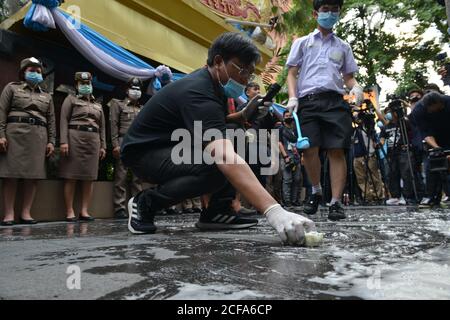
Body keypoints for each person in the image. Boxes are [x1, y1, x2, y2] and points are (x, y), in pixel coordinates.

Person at [121, 32, 316, 245]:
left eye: (250, 74)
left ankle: (217, 211)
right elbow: (222, 154)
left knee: (241, 140)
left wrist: (243, 115)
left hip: (174, 145)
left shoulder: (214, 87)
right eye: (242, 70)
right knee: (216, 163)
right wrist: (274, 210)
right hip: (144, 153)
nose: (245, 79)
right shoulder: (198, 91)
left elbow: (213, 124)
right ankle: (145, 203)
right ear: (218, 61)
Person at [285, 0, 363, 220]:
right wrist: (292, 97)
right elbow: (292, 72)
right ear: (315, 13)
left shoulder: (343, 46)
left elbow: (348, 77)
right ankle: (316, 191)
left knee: (336, 150)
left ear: (339, 13)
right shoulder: (302, 43)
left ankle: (336, 202)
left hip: (335, 102)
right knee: (309, 149)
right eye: (325, 10)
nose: (330, 13)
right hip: (307, 101)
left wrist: (355, 87)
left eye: (334, 10)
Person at [0, 57, 56, 226]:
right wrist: (1, 134)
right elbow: (1, 111)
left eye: (38, 72)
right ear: (23, 72)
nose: (35, 74)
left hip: (38, 136)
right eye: (32, 71)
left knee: (33, 176)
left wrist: (51, 141)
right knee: (11, 175)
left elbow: (51, 120)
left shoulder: (46, 95)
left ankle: (26, 212)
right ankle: (9, 214)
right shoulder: (12, 88)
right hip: (14, 134)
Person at [59, 72, 106, 222]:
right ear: (77, 85)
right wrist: (63, 142)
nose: (86, 86)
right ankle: (69, 211)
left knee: (89, 178)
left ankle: (84, 211)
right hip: (74, 139)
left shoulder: (97, 105)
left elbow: (102, 127)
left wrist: (103, 145)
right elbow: (64, 120)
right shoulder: (70, 99)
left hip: (93, 141)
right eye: (83, 84)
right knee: (71, 176)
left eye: (88, 84)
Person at [109, 77, 144, 219]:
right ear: (126, 89)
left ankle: (138, 207)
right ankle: (119, 208)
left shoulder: (142, 109)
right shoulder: (118, 105)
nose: (135, 91)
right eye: (133, 88)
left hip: (139, 143)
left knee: (138, 178)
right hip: (123, 140)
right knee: (121, 176)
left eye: (138, 89)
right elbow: (113, 125)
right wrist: (115, 144)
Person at [410, 92, 450, 205]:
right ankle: (431, 195)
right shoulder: (419, 109)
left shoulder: (448, 102)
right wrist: (437, 148)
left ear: (438, 103)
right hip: (433, 138)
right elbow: (424, 132)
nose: (429, 111)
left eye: (431, 108)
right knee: (431, 164)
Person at [379, 104, 415, 205]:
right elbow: (382, 139)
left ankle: (407, 196)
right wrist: (378, 144)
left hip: (403, 151)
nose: (389, 114)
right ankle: (395, 196)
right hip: (391, 153)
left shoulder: (404, 123)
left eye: (391, 112)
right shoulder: (386, 127)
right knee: (392, 174)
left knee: (406, 173)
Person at [279, 111, 302, 207]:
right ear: (283, 117)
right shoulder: (280, 129)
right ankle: (287, 201)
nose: (288, 117)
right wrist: (285, 156)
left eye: (290, 116)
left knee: (297, 179)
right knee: (287, 179)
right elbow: (279, 143)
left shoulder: (296, 129)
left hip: (296, 156)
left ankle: (294, 200)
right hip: (287, 156)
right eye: (286, 116)